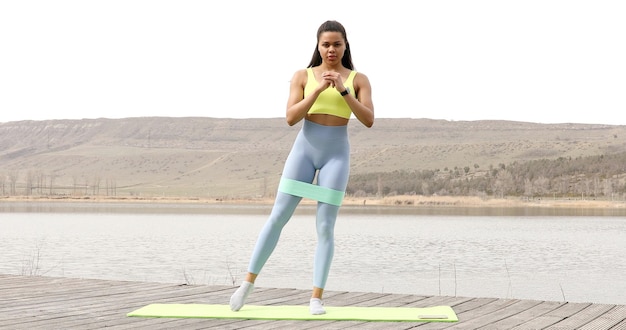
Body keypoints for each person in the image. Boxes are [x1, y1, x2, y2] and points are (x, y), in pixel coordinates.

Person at [229, 20, 374, 315]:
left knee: (325, 227)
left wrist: (344, 91)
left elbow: (369, 120)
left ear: (345, 45)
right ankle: (246, 284)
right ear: (318, 46)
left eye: (337, 44)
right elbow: (291, 117)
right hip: (304, 152)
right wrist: (320, 89)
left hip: (337, 155)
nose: (331, 49)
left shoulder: (358, 80)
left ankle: (316, 298)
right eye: (326, 44)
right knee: (278, 217)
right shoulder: (302, 76)